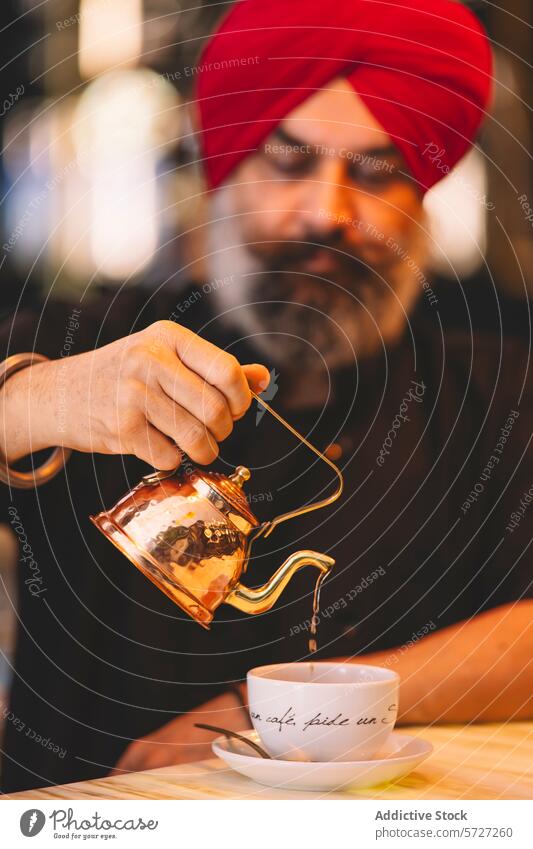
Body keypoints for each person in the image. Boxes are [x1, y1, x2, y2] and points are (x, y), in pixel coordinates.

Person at [1, 0, 531, 791]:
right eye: (288, 162)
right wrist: (39, 399)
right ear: (222, 171)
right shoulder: (89, 342)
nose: (328, 212)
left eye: (377, 172)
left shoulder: (495, 395)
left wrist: (274, 710)